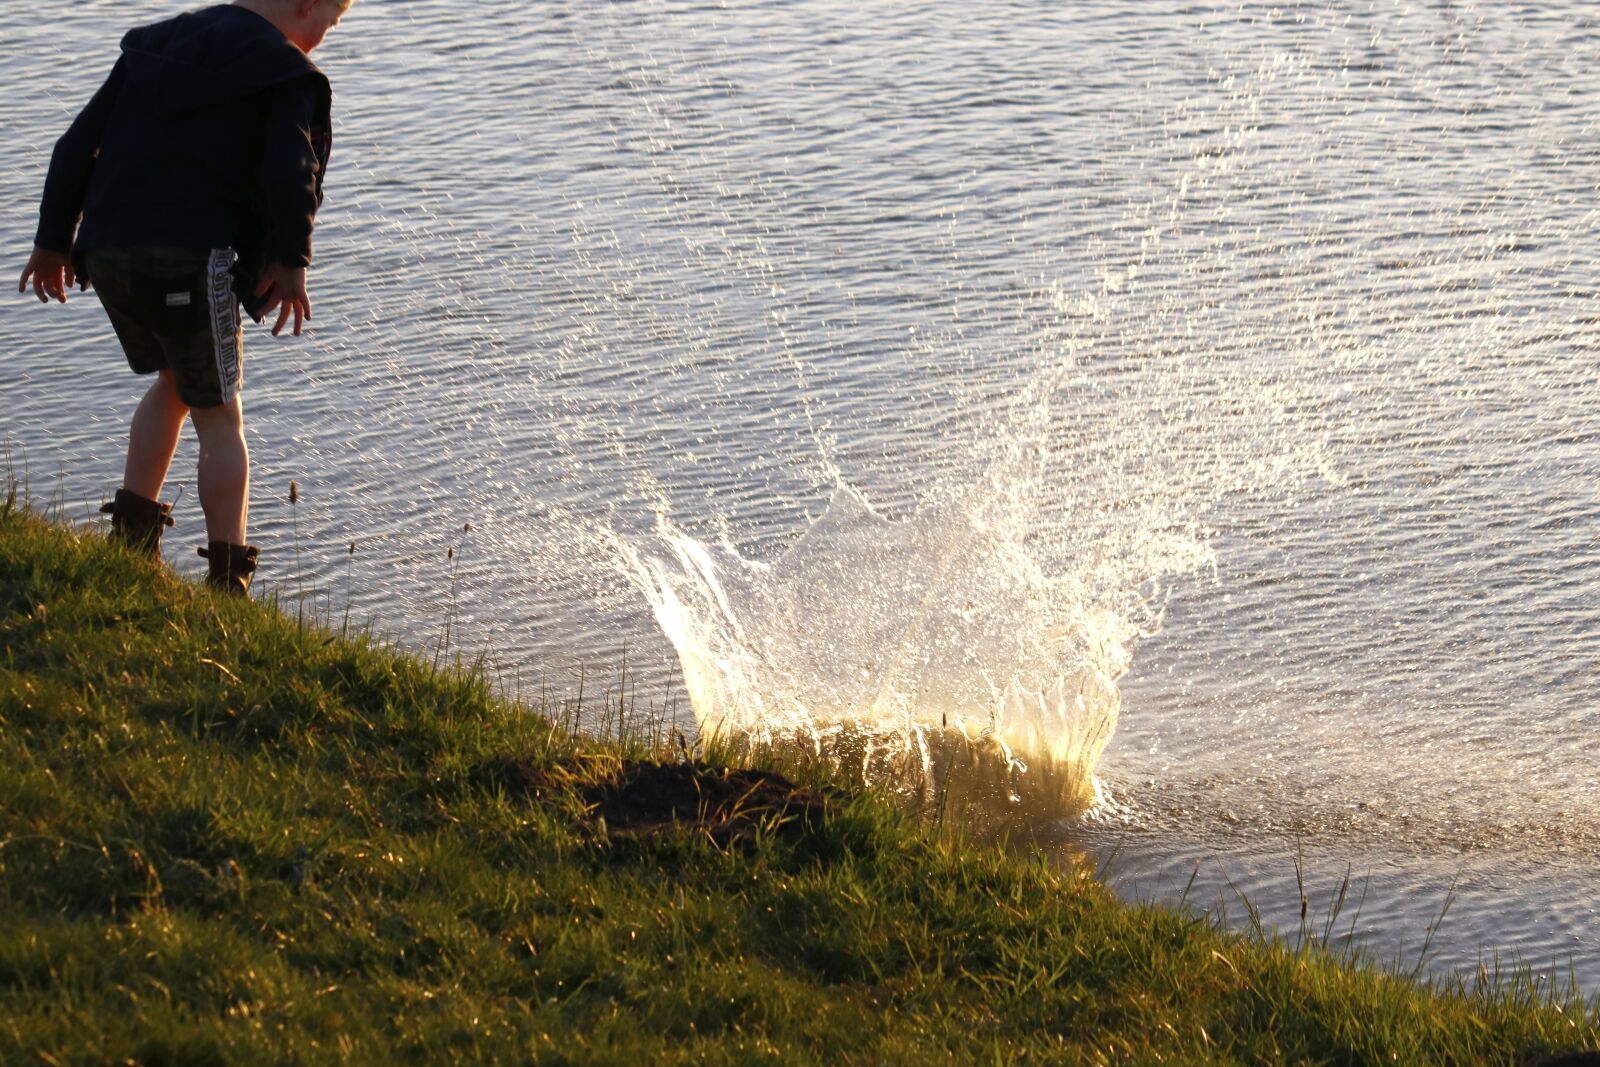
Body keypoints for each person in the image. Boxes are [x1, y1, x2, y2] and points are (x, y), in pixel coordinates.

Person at [16, 0, 349, 594]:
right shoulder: (286, 73)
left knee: (174, 382)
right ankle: (228, 583)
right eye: (330, 26)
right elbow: (290, 169)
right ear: (306, 8)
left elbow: (75, 145)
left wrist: (51, 244)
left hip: (109, 250)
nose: (322, 41)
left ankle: (132, 542)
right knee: (221, 414)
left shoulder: (155, 45)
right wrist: (293, 260)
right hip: (191, 258)